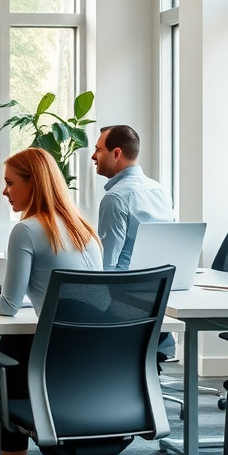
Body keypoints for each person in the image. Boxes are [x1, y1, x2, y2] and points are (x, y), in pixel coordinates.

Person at [0, 147, 102, 455]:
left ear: (33, 183)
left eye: (10, 182)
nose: (5, 191)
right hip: (98, 366)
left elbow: (8, 306)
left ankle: (12, 443)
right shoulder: (83, 227)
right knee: (20, 345)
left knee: (13, 348)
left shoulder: (27, 230)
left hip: (57, 368)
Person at [91, 124, 176, 359]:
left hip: (122, 306)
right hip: (158, 301)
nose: (93, 156)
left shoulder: (116, 198)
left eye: (98, 150)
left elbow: (107, 267)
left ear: (116, 153)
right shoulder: (160, 191)